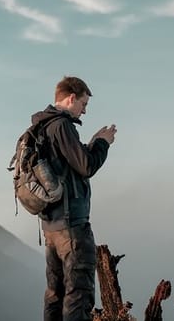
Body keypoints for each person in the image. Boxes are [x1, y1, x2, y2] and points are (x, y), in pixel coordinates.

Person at [32, 76, 117, 321]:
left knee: (55, 294)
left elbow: (69, 166)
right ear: (71, 98)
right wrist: (102, 143)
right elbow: (86, 166)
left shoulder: (43, 126)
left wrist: (91, 143)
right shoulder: (61, 126)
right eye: (83, 104)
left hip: (51, 225)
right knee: (78, 296)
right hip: (72, 227)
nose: (85, 110)